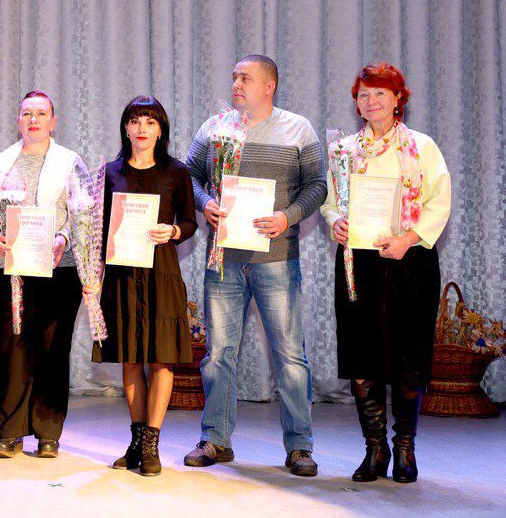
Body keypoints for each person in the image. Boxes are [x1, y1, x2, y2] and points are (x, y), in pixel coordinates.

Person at [184, 55, 326, 476]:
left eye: (245, 78)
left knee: (290, 356)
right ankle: (215, 439)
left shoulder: (298, 129)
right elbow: (188, 175)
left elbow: (318, 185)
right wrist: (204, 202)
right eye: (234, 77)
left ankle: (299, 446)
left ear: (269, 86)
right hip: (224, 261)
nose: (236, 84)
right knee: (218, 354)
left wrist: (288, 216)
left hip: (276, 260)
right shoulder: (215, 128)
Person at [321, 62, 450, 483]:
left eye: (380, 93)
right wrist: (336, 220)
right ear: (356, 103)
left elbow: (438, 202)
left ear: (398, 99)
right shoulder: (344, 151)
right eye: (363, 94)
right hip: (358, 263)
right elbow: (331, 200)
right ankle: (374, 449)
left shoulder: (422, 147)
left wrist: (408, 238)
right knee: (362, 355)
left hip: (409, 262)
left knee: (408, 357)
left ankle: (405, 448)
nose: (371, 100)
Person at [91, 95, 197, 477]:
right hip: (121, 276)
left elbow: (190, 222)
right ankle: (136, 441)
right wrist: (93, 275)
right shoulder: (107, 173)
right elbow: (97, 228)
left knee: (161, 359)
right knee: (131, 358)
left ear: (161, 130)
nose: (142, 129)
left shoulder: (177, 172)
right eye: (135, 121)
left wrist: (173, 231)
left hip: (162, 274)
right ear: (125, 127)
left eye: (150, 122)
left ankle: (152, 443)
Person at [0, 90, 87, 459]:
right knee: (13, 351)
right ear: (18, 120)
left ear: (53, 122)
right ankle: (9, 432)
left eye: (41, 113)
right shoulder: (0, 163)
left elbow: (83, 212)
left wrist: (63, 237)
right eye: (27, 113)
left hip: (59, 270)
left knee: (52, 351)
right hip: (8, 270)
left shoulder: (70, 162)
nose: (34, 120)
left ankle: (48, 433)